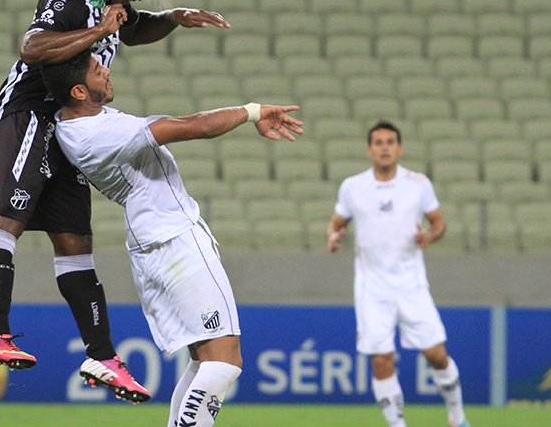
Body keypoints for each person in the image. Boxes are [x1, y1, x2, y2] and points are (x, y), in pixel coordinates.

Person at [0, 0, 230, 404]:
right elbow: (32, 47)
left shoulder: (110, 0)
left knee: (75, 239)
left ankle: (101, 356)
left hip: (68, 123)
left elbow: (131, 30)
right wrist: (95, 33)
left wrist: (173, 19)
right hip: (29, 110)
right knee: (9, 218)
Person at [41, 48, 302, 426]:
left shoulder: (70, 124)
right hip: (175, 240)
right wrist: (253, 111)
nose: (107, 72)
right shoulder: (103, 133)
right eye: (99, 72)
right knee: (226, 361)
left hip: (152, 242)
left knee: (204, 360)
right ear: (79, 91)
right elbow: (194, 126)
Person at [326, 121, 471, 427]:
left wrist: (431, 236)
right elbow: (337, 222)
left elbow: (439, 221)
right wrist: (333, 236)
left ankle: (457, 419)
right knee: (380, 358)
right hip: (371, 286)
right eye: (378, 142)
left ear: (400, 148)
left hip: (411, 283)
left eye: (390, 142)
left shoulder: (418, 183)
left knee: (436, 354)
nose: (384, 147)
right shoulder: (353, 186)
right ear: (369, 149)